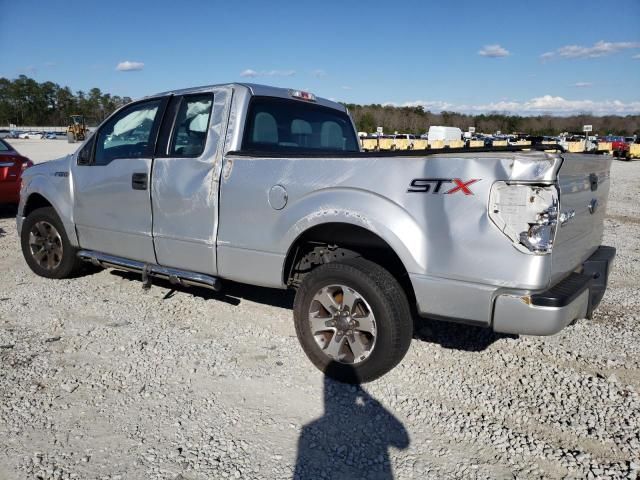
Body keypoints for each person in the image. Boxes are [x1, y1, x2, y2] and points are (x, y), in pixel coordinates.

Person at [294, 363, 410, 479]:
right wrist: (367, 398)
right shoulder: (309, 429)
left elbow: (403, 443)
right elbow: (403, 442)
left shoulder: (308, 429)